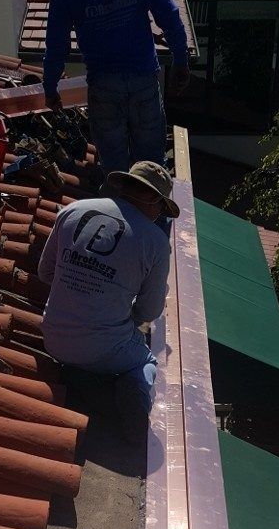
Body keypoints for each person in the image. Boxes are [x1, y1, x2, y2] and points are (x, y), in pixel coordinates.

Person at [43, 0, 190, 176]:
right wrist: (180, 60)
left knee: (114, 171)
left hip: (104, 84)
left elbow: (57, 43)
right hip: (143, 77)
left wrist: (50, 87)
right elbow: (169, 15)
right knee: (151, 168)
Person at [37, 160, 178, 442]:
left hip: (52, 337)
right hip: (102, 350)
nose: (159, 215)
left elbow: (45, 273)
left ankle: (80, 375)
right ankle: (131, 393)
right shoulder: (155, 242)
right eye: (161, 208)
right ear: (153, 199)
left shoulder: (73, 210)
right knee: (147, 360)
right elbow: (150, 310)